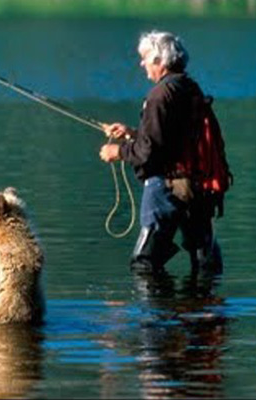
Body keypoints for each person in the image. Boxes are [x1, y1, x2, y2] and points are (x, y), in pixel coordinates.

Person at [99, 31, 223, 275]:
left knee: (144, 264)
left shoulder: (159, 95)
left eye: (145, 57)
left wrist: (118, 151)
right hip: (198, 185)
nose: (141, 63)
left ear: (159, 61)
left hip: (166, 187)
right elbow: (173, 137)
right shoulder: (188, 87)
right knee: (204, 259)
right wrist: (133, 133)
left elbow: (148, 153)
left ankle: (158, 313)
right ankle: (202, 308)